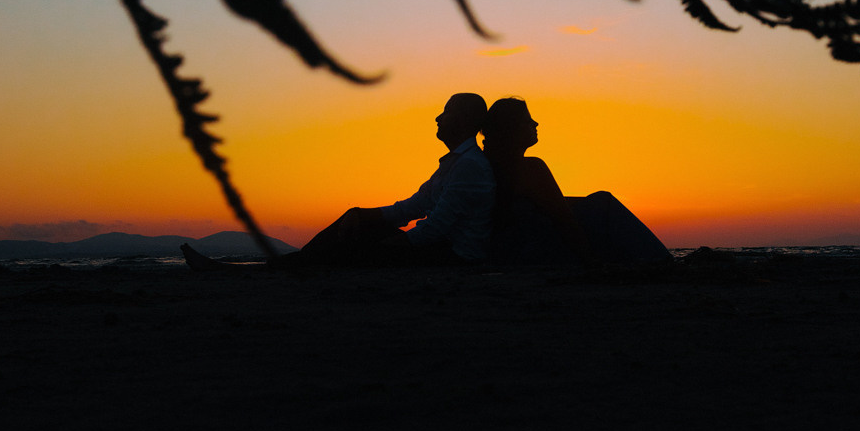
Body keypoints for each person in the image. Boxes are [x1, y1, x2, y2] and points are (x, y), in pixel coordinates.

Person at [190, 92, 494, 270]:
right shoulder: (455, 163)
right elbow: (413, 207)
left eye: (446, 113)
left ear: (464, 120)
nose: (438, 119)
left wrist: (387, 244)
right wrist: (364, 215)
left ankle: (270, 269)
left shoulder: (469, 166)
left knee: (352, 246)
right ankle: (279, 267)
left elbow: (435, 228)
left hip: (453, 259)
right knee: (357, 222)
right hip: (437, 250)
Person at [479, 98, 672, 266]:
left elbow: (548, 205)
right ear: (511, 128)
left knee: (595, 203)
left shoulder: (486, 164)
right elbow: (563, 218)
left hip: (506, 250)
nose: (536, 123)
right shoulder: (529, 168)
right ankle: (663, 261)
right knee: (603, 204)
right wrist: (590, 261)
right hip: (528, 253)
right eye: (528, 120)